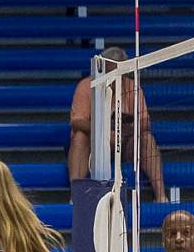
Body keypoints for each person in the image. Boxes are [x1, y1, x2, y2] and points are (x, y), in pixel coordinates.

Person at [67, 46, 166, 202]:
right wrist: (103, 132)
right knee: (79, 138)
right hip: (95, 143)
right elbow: (77, 122)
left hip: (126, 142)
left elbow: (145, 121)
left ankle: (161, 196)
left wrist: (127, 130)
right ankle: (75, 196)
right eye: (110, 70)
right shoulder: (86, 86)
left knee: (147, 139)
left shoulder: (132, 87)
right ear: (103, 67)